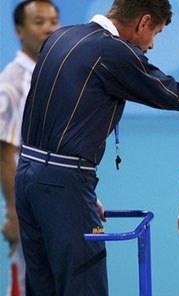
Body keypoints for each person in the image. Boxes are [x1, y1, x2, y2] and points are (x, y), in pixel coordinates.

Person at [15, 0, 179, 294]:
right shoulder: (112, 51)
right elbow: (175, 95)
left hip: (28, 176)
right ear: (143, 22)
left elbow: (57, 117)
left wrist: (79, 190)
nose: (152, 45)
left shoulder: (60, 37)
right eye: (156, 32)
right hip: (63, 184)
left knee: (42, 287)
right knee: (83, 287)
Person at [0, 1, 60, 295]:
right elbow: (3, 153)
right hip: (28, 213)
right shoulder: (11, 83)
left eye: (53, 20)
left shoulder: (54, 73)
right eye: (39, 22)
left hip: (55, 206)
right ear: (19, 30)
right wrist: (14, 214)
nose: (49, 28)